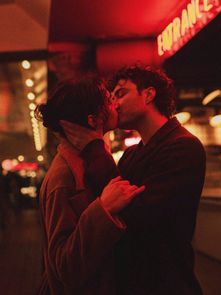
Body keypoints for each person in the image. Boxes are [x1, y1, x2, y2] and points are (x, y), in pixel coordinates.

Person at [61, 65, 206, 295]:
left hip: (166, 282)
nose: (114, 105)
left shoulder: (183, 147)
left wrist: (94, 146)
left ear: (148, 94)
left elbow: (138, 214)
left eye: (120, 94)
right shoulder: (132, 154)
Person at [35, 75, 145, 295]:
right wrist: (103, 209)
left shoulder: (88, 159)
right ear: (93, 120)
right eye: (107, 99)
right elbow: (64, 266)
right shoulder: (64, 178)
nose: (114, 103)